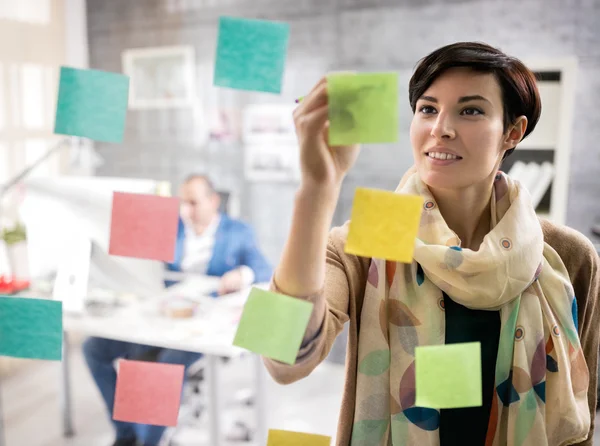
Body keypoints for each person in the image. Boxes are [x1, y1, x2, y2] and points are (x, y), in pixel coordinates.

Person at [263, 42, 600, 446]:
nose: (441, 127)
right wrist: (317, 188)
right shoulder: (370, 237)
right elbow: (279, 361)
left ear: (513, 132)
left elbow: (583, 412)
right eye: (427, 108)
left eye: (470, 110)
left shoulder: (567, 255)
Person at [83, 174, 272, 446]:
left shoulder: (237, 232)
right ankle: (126, 433)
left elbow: (266, 270)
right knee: (94, 349)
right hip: (162, 313)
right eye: (182, 202)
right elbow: (144, 267)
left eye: (193, 203)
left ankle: (149, 442)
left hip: (201, 323)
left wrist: (241, 274)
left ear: (213, 201)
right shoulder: (172, 228)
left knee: (167, 361)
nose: (186, 210)